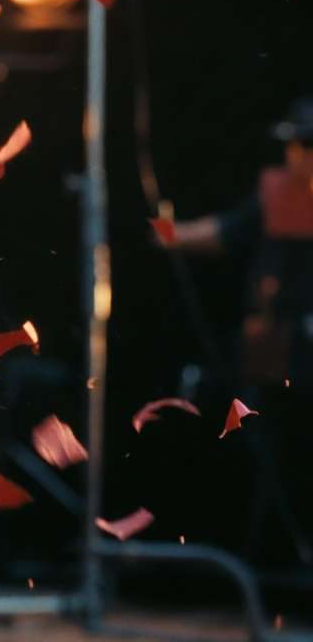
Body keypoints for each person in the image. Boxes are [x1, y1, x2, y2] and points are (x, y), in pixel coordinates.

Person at [159, 96, 313, 565]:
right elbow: (227, 230)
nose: (293, 156)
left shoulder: (292, 193)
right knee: (267, 453)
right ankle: (270, 561)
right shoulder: (284, 193)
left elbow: (224, 232)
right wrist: (170, 233)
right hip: (277, 352)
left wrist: (170, 234)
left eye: (301, 146)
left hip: (296, 352)